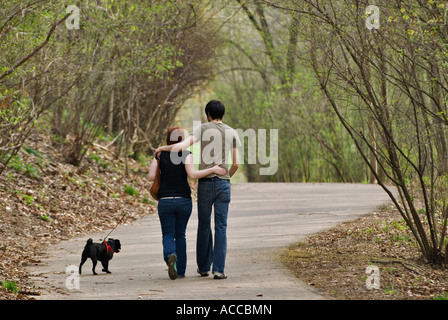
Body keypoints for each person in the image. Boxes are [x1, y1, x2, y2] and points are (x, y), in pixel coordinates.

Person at [155, 100, 240, 279]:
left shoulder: (202, 129)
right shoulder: (232, 132)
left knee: (204, 224)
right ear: (222, 114)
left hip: (206, 184)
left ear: (208, 114)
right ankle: (219, 269)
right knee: (221, 226)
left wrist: (163, 148)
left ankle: (203, 267)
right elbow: (236, 163)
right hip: (223, 183)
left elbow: (180, 147)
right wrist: (227, 178)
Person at [148, 126, 226, 280]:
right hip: (184, 201)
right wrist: (213, 170)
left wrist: (157, 159)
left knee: (168, 234)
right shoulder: (186, 154)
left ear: (168, 139)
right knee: (181, 235)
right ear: (181, 140)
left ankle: (171, 255)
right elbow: (192, 175)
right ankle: (181, 271)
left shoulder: (160, 155)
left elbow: (151, 176)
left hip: (165, 201)